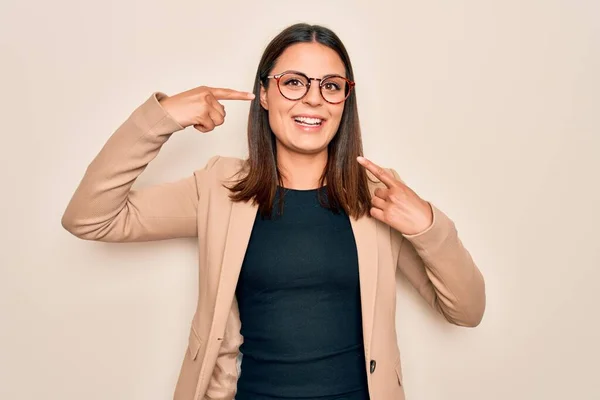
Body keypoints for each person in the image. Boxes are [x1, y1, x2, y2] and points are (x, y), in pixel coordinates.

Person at [61, 22, 485, 400]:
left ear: (344, 101)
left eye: (331, 86)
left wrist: (428, 227)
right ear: (263, 93)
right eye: (294, 82)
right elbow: (90, 217)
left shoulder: (376, 194)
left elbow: (466, 311)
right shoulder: (219, 189)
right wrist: (163, 117)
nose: (314, 99)